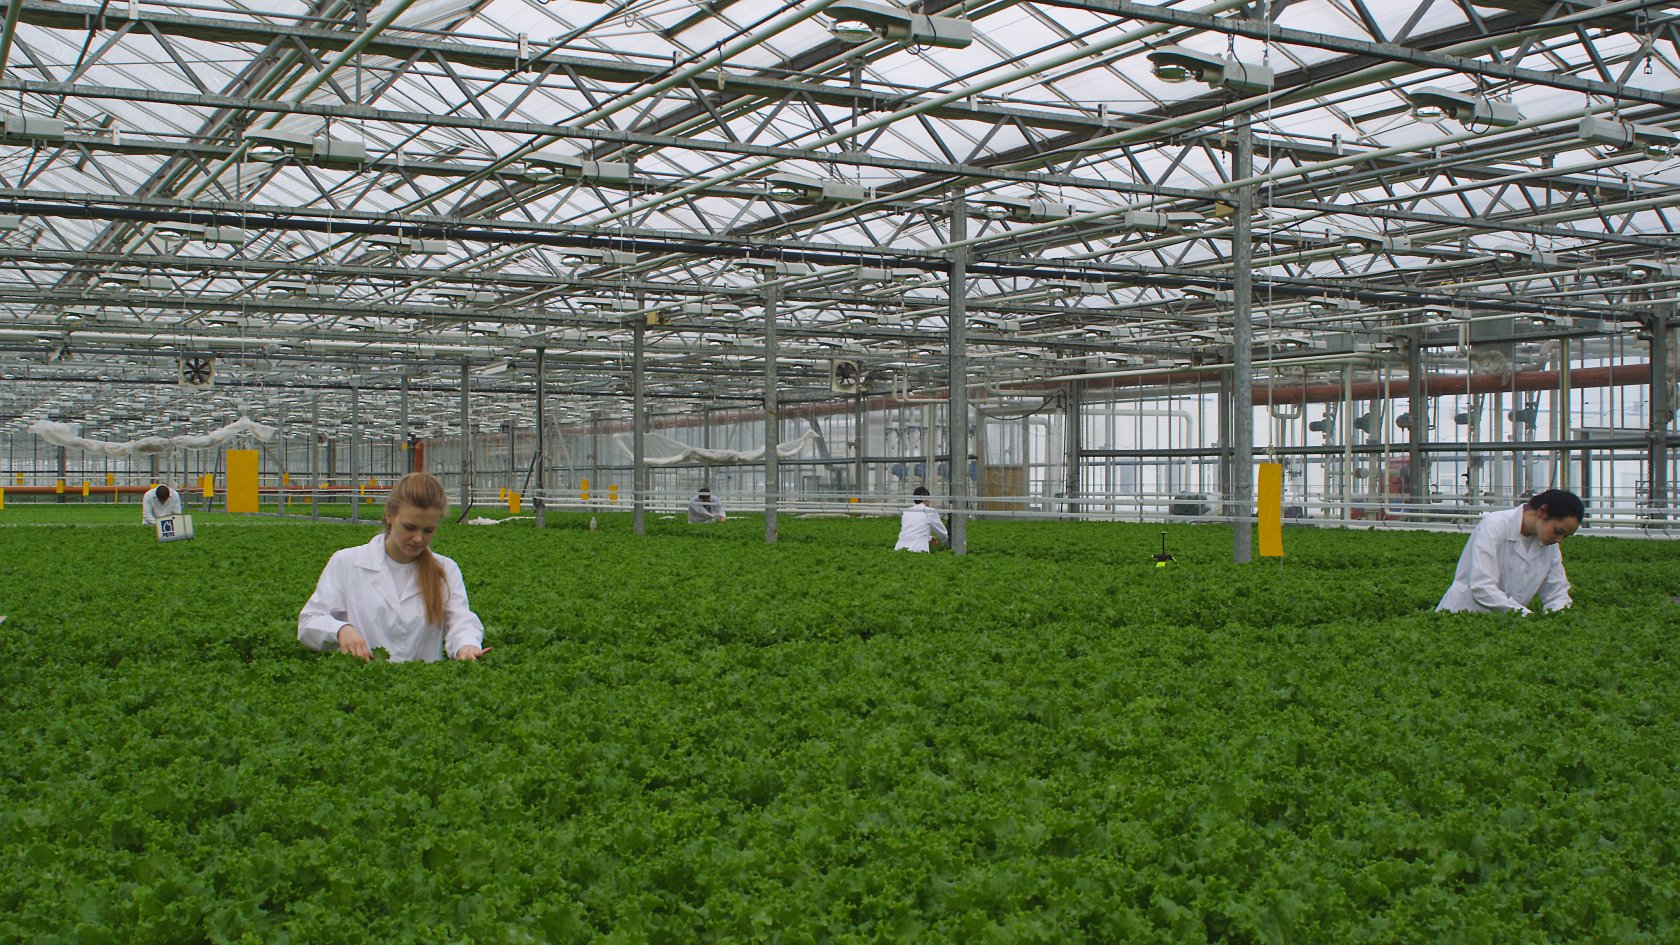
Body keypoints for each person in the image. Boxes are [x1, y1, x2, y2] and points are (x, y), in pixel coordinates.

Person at [298, 471, 489, 662]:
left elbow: (460, 620)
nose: (418, 538)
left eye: (428, 530)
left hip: (423, 680)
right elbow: (309, 622)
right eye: (409, 527)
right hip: (364, 677)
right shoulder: (346, 563)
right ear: (389, 516)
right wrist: (340, 630)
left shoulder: (445, 569)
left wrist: (466, 645)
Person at [1437, 488, 1583, 615]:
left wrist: (1556, 617)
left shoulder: (1549, 545)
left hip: (1508, 624)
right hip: (1464, 614)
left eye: (1565, 536)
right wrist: (1526, 616)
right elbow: (1482, 587)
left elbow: (1557, 592)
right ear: (1543, 511)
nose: (1559, 540)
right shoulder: (1495, 525)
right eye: (1558, 531)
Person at [894, 485, 949, 552]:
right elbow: (943, 534)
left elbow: (912, 532)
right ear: (925, 498)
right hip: (918, 549)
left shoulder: (907, 512)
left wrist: (930, 538)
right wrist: (945, 544)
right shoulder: (929, 512)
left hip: (900, 548)